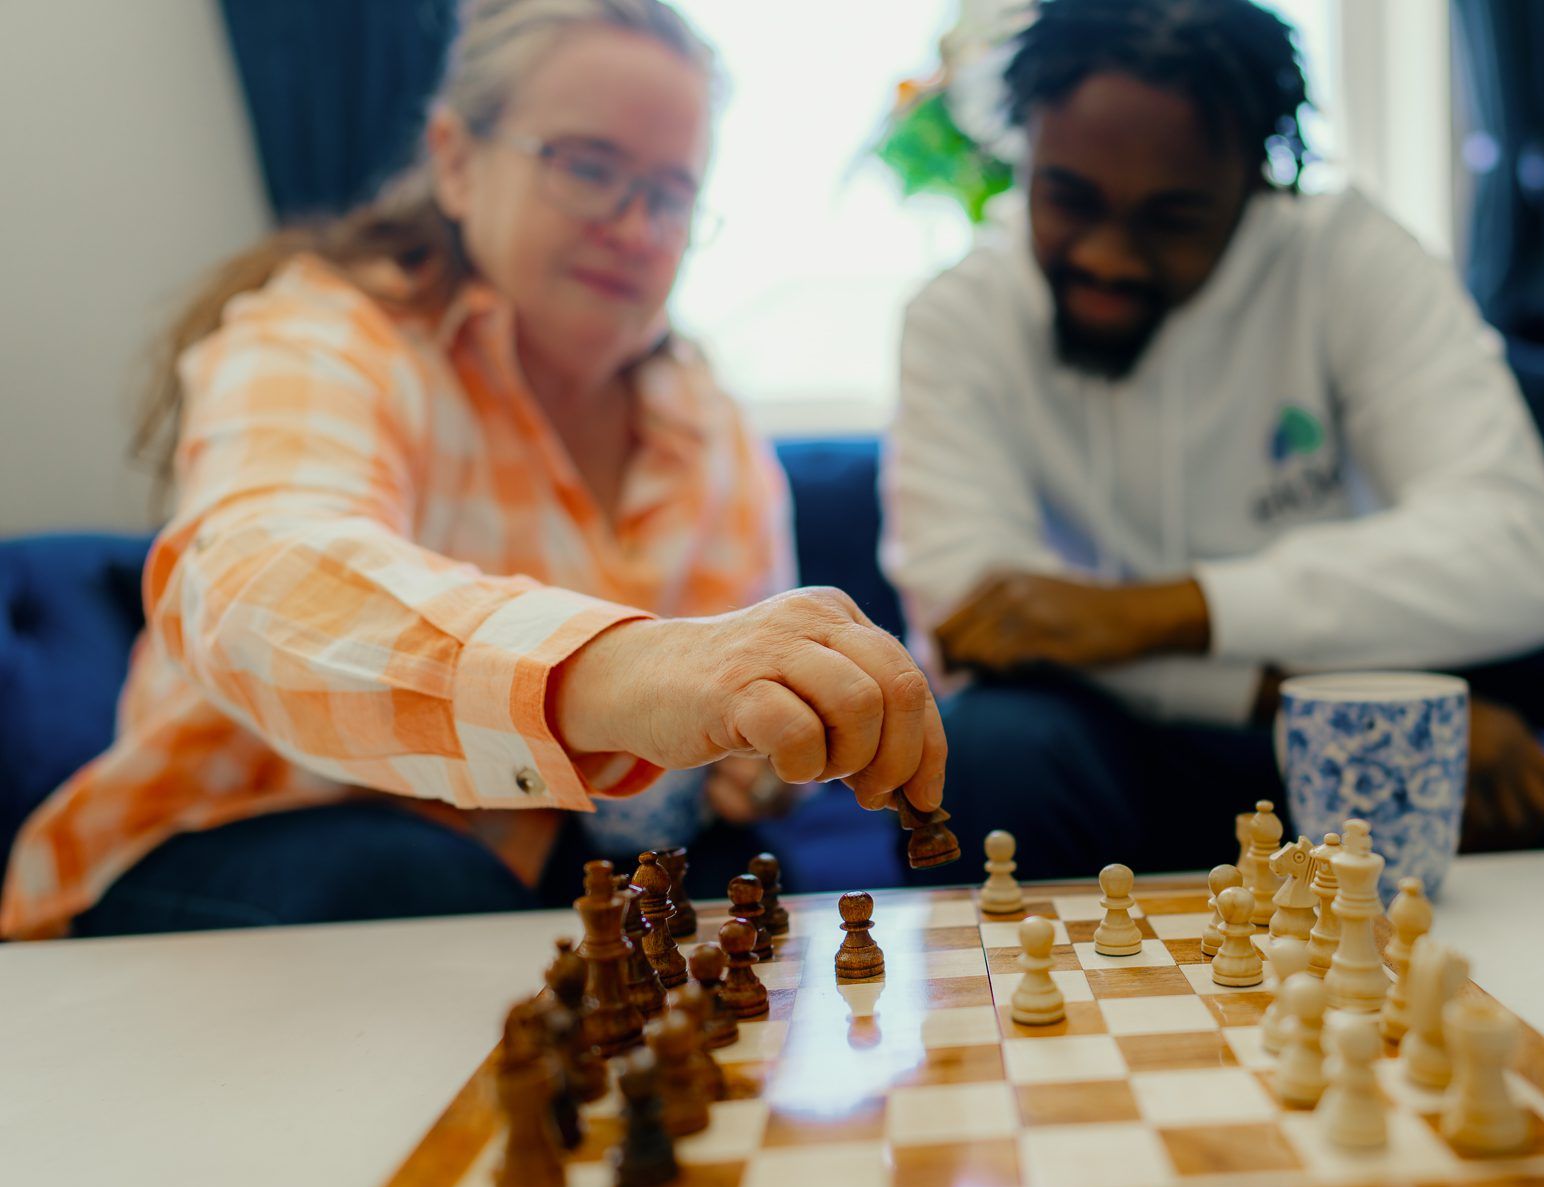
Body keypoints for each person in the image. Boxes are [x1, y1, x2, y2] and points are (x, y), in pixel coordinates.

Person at [0, 0, 944, 940]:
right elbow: (258, 571)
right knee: (404, 879)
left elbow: (729, 739)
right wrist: (625, 669)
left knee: (737, 892)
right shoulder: (321, 332)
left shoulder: (709, 423)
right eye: (588, 167)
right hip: (243, 843)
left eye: (671, 195)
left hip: (544, 870)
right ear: (454, 159)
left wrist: (749, 758)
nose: (635, 226)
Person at [880, 0, 1544, 878]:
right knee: (987, 747)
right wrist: (1320, 700)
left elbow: (1526, 551)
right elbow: (977, 618)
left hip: (1329, 755)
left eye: (1171, 218)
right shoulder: (958, 316)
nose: (1107, 256)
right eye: (1067, 198)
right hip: (1116, 739)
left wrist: (1150, 612)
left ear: (1256, 186)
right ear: (1026, 155)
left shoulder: (1348, 258)